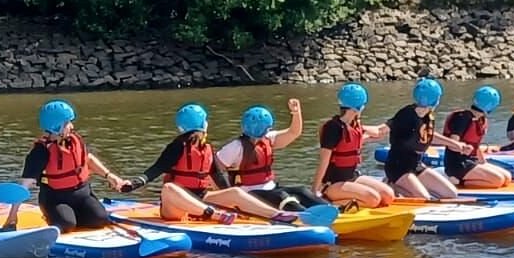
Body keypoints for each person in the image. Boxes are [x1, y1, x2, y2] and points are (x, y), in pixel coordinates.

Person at [118, 103, 302, 224]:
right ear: (202, 124)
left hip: (202, 198)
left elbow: (217, 176)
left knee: (235, 191)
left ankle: (275, 215)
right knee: (169, 188)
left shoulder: (206, 148)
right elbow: (156, 169)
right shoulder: (177, 146)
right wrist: (134, 183)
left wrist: (231, 198)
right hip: (176, 207)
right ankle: (215, 215)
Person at [4, 99, 124, 233]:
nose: (71, 126)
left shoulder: (74, 140)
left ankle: (77, 215)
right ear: (56, 127)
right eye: (67, 123)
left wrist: (109, 176)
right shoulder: (40, 151)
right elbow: (24, 185)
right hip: (55, 199)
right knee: (66, 224)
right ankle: (58, 217)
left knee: (99, 219)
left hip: (82, 195)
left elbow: (88, 159)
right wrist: (12, 217)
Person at [215, 100, 332, 212]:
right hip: (248, 195)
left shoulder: (268, 139)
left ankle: (331, 209)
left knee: (301, 191)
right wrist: (226, 195)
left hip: (270, 189)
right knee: (281, 196)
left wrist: (296, 113)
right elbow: (214, 170)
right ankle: (304, 215)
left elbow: (293, 132)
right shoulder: (235, 147)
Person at [384, 77, 473, 199]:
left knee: (451, 193)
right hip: (398, 167)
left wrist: (455, 144)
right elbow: (384, 129)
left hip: (416, 164)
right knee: (423, 199)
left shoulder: (428, 116)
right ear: (435, 99)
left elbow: (429, 135)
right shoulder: (406, 114)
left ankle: (408, 185)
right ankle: (391, 184)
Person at [311, 83, 396, 208]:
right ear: (358, 107)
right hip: (332, 183)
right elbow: (324, 161)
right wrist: (314, 191)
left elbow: (377, 133)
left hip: (351, 177)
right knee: (373, 199)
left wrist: (394, 123)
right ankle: (329, 201)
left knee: (388, 195)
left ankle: (352, 201)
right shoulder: (332, 128)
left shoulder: (354, 125)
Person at [440, 85, 511, 188]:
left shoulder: (480, 120)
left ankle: (466, 178)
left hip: (471, 161)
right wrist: (462, 148)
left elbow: (476, 146)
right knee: (497, 180)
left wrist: (483, 163)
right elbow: (452, 144)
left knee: (507, 177)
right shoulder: (463, 118)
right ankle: (458, 181)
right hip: (458, 163)